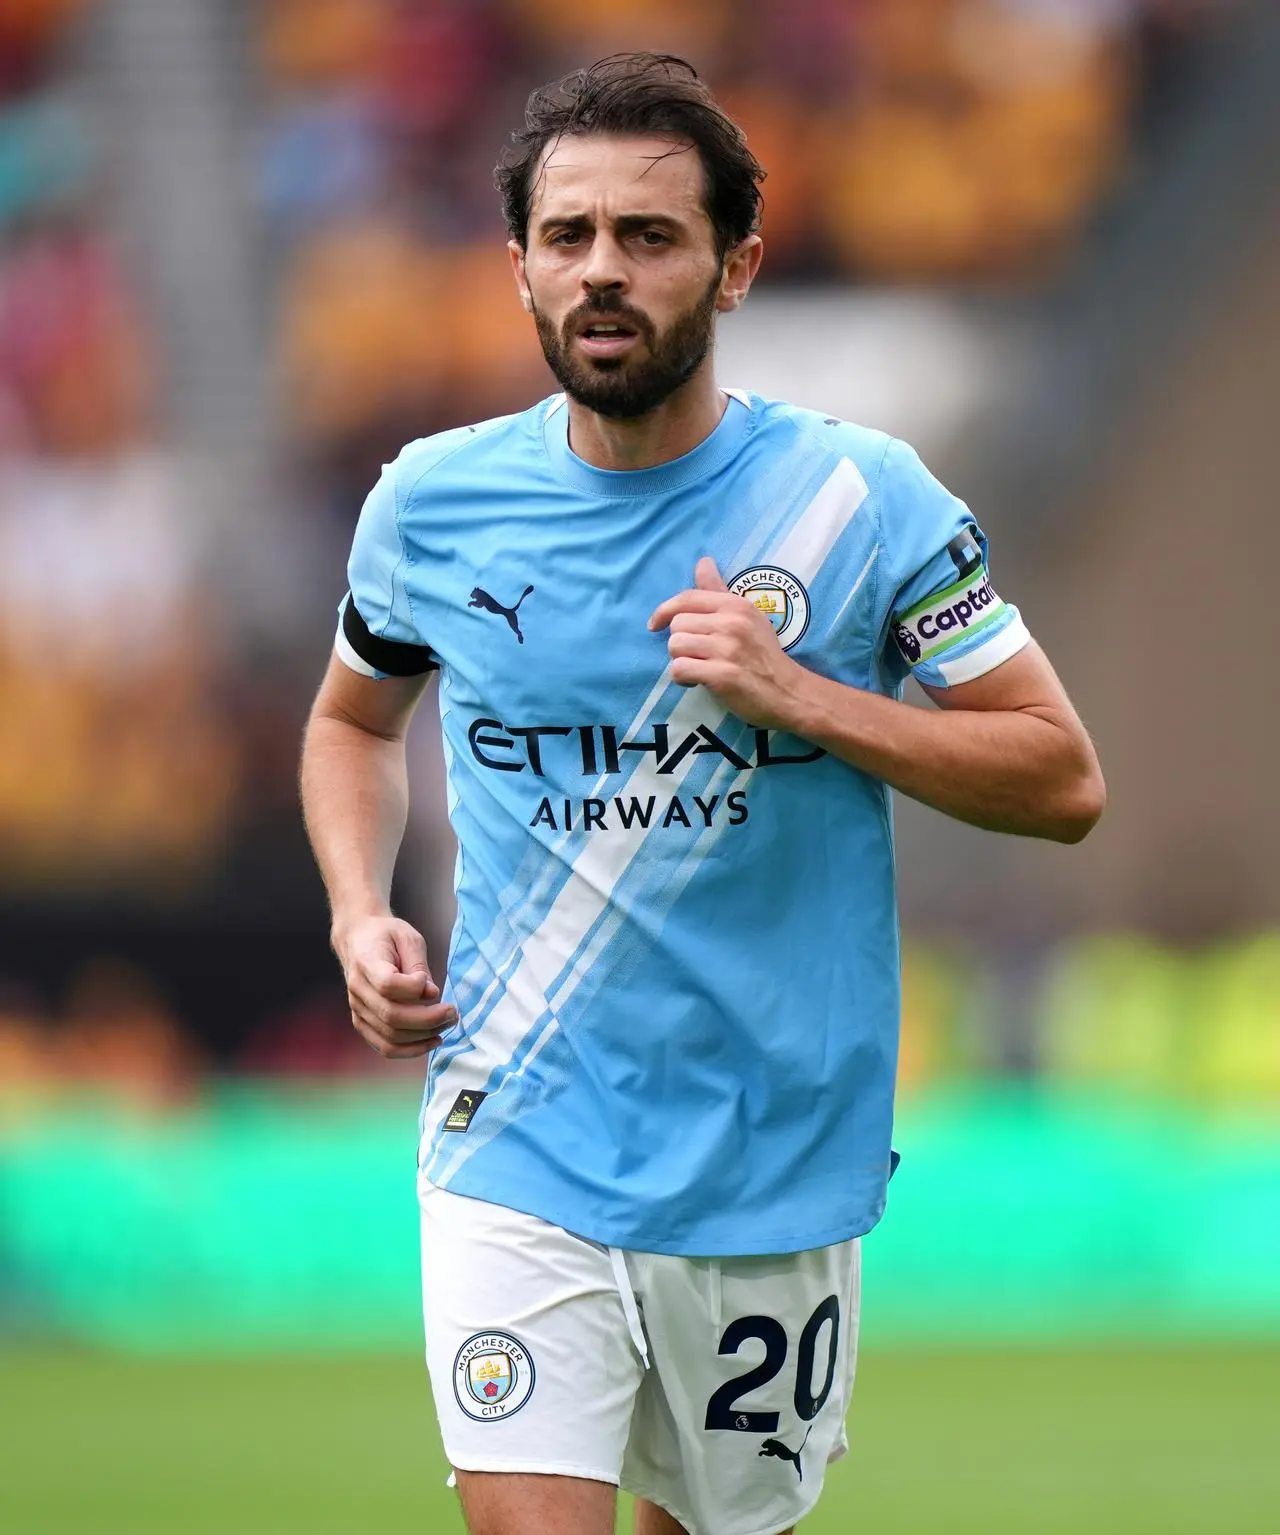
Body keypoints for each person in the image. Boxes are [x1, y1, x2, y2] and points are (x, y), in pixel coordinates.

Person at [299, 52, 1105, 1535]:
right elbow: (352, 725)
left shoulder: (863, 504)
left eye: (649, 238)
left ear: (734, 269)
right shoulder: (429, 503)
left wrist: (797, 693)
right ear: (521, 268)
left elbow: (1060, 774)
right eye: (569, 236)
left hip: (768, 1161)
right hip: (512, 1128)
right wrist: (359, 913)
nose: (603, 272)